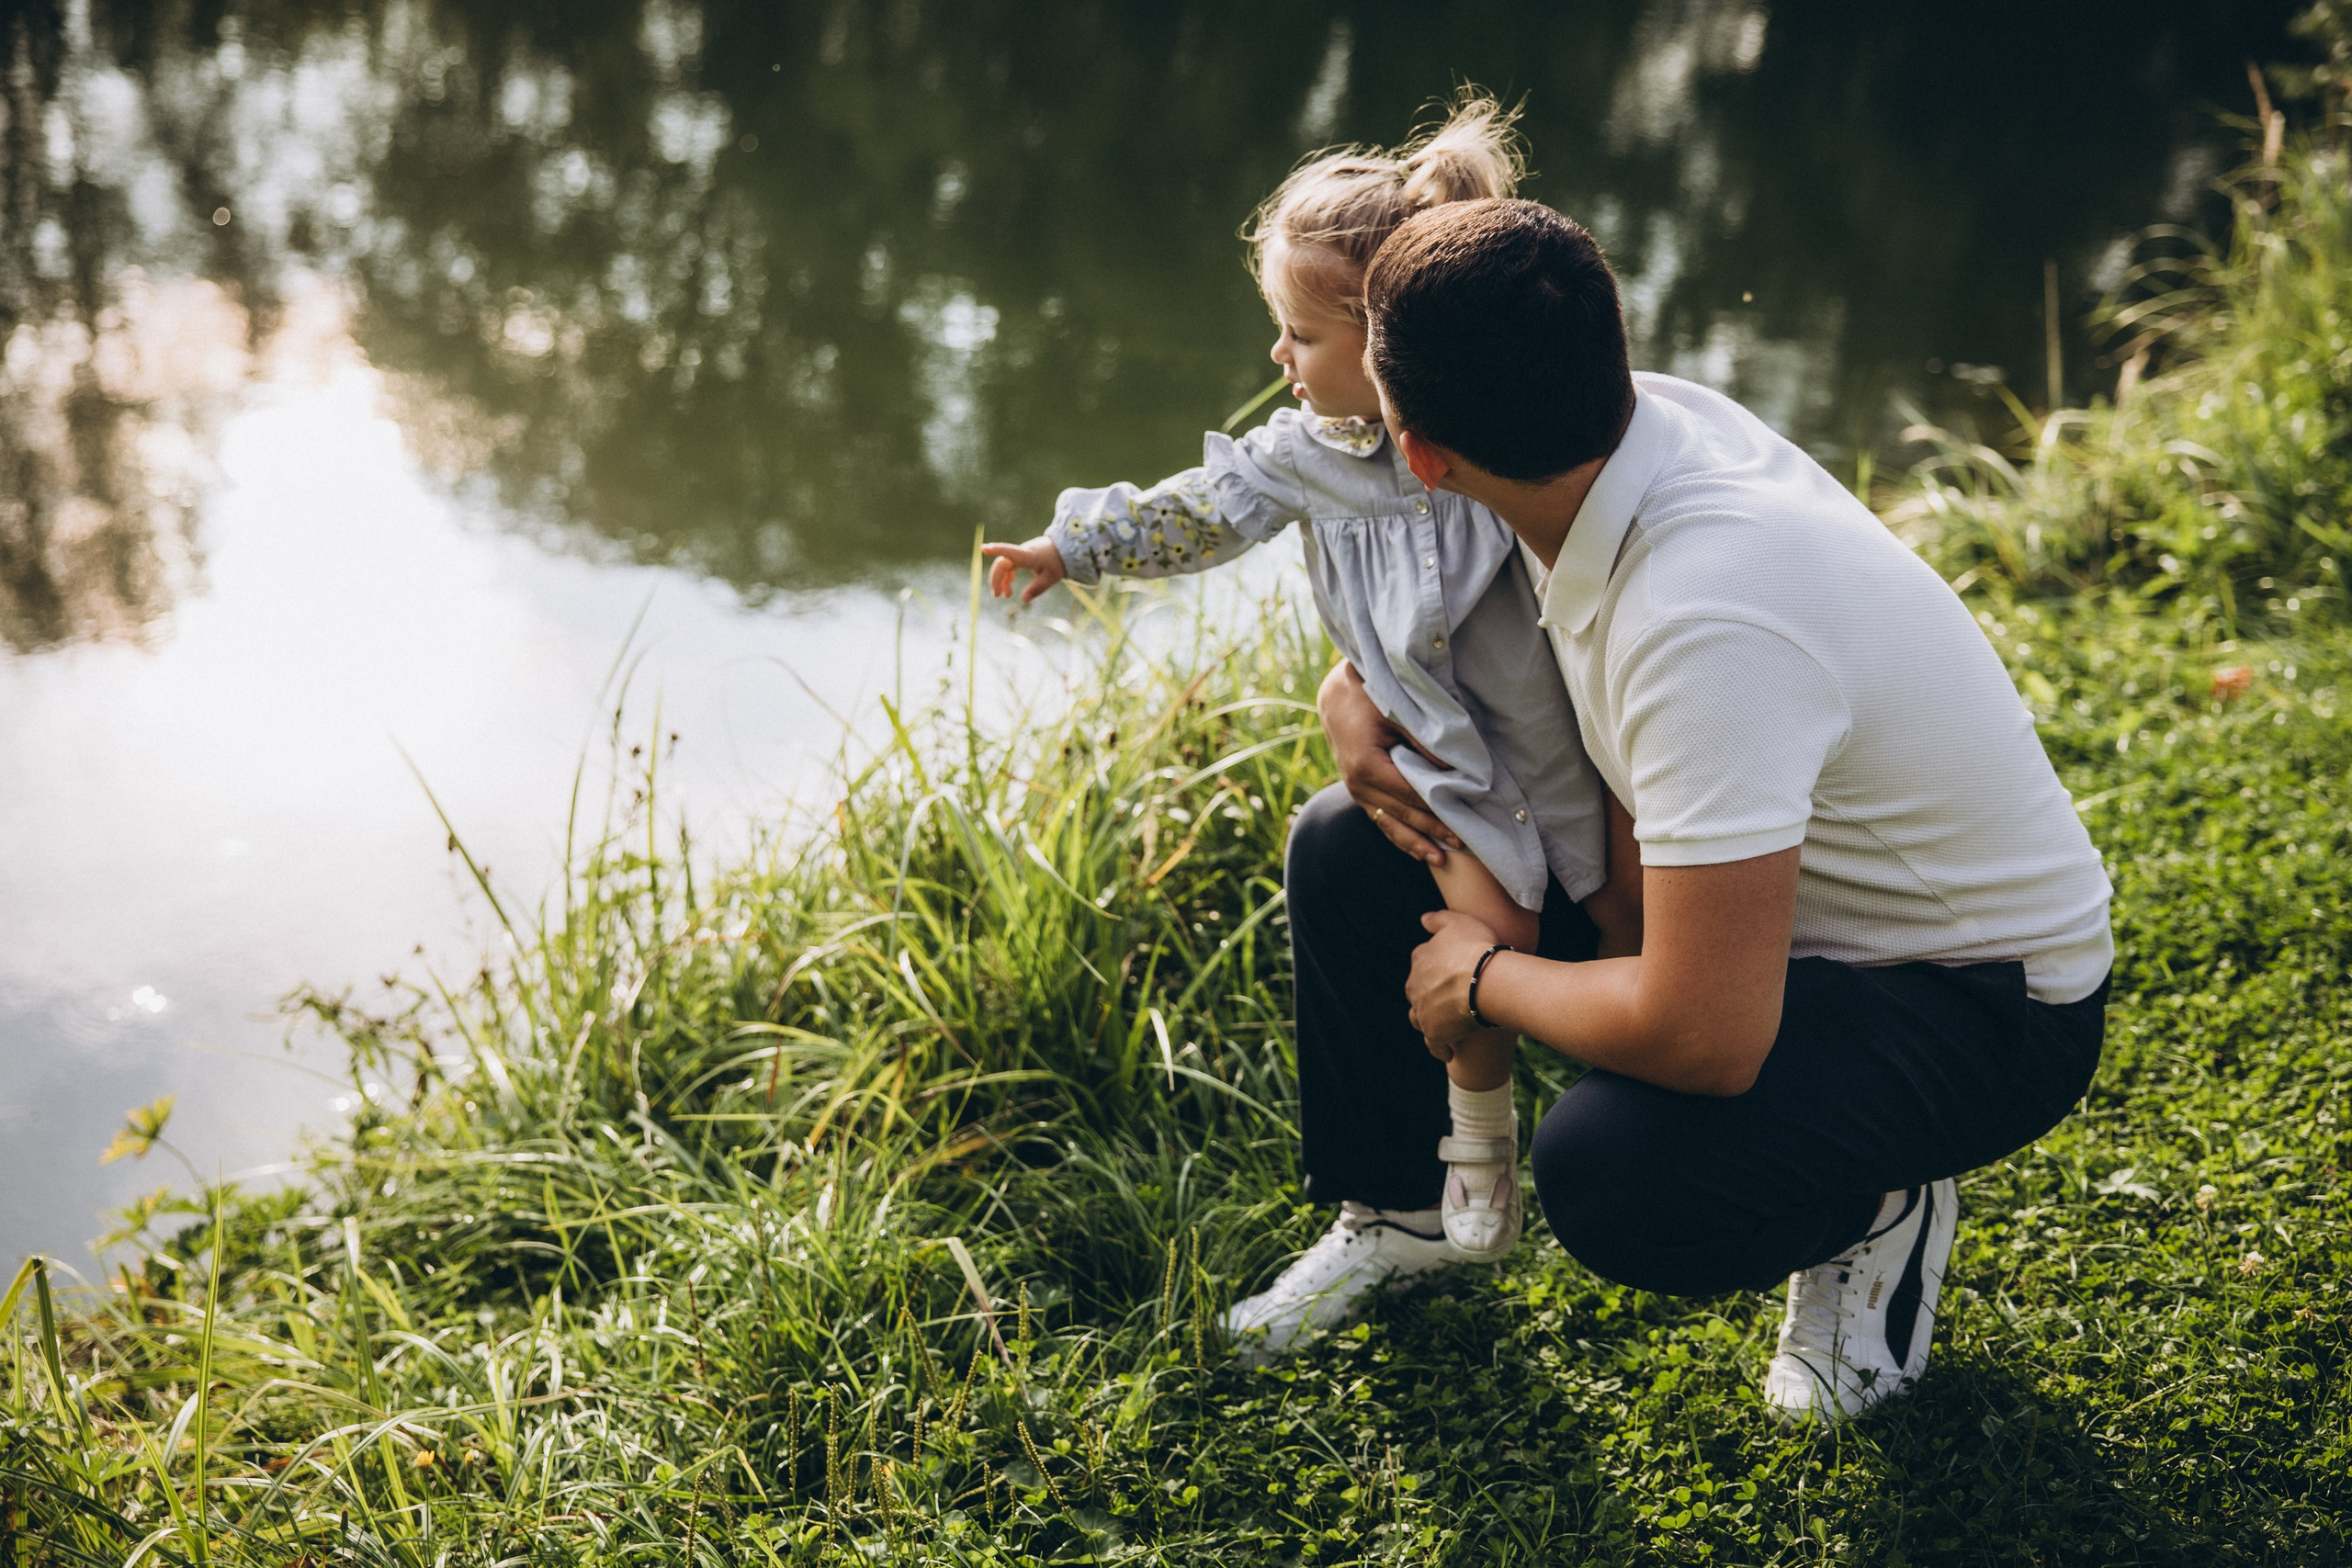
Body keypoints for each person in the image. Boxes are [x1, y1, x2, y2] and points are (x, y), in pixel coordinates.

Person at [1254, 196, 2114, 1423]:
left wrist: (1483, 979)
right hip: (1786, 906)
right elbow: (1458, 641)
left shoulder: (1705, 614)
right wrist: (1353, 687)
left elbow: (1707, 1035)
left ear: (1424, 459)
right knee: (1350, 846)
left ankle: (1878, 1204)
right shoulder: (1598, 428)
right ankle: (1404, 1216)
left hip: (1979, 997)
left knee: (1620, 1171)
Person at [984, 99, 1637, 1285]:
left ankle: (1682, 1117)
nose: (1278, 363)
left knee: (1629, 948)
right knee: (1490, 932)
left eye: (1297, 336)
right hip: (1455, 768)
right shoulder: (1303, 456)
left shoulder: (1489, 425)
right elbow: (1193, 513)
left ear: (1384, 340)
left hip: (1578, 754)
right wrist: (1068, 548)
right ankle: (1461, 1167)